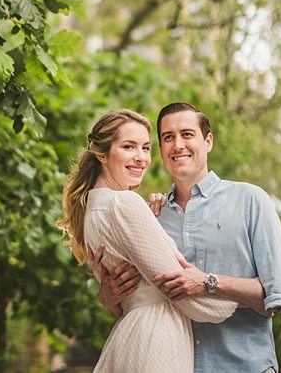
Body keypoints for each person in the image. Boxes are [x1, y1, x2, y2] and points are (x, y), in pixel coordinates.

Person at [94, 102, 281, 373]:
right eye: (168, 137)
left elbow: (277, 297)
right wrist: (109, 298)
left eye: (187, 134)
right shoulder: (150, 216)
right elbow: (141, 304)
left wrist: (208, 283)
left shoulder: (250, 200)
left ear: (208, 141)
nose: (177, 145)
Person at [60, 108, 235, 373]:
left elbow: (123, 296)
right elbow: (183, 292)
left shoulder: (92, 212)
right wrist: (237, 298)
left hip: (132, 332)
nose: (141, 158)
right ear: (102, 154)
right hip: (157, 338)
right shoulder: (124, 203)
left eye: (145, 147)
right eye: (129, 146)